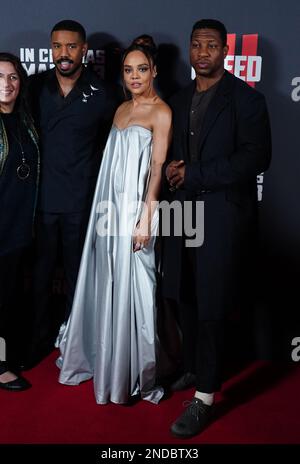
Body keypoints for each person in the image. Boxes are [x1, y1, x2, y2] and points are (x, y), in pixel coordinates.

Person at [162, 19, 272, 438]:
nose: (203, 52)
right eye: (196, 45)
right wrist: (173, 168)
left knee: (210, 304)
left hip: (222, 215)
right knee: (185, 294)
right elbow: (171, 154)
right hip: (182, 214)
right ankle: (193, 368)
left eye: (211, 45)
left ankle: (206, 395)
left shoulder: (247, 100)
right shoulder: (177, 98)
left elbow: (255, 159)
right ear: (189, 50)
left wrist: (194, 173)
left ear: (226, 51)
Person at [57, 38, 172, 405]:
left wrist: (146, 217)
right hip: (106, 210)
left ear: (154, 70)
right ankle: (102, 359)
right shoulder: (121, 109)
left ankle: (130, 372)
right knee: (106, 280)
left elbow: (156, 168)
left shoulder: (161, 112)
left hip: (135, 213)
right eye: (128, 70)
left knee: (135, 286)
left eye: (141, 69)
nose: (135, 76)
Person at [26, 20, 117, 366]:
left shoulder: (104, 93)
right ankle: (37, 341)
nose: (63, 54)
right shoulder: (34, 88)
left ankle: (76, 342)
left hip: (82, 204)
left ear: (83, 49)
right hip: (40, 204)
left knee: (79, 278)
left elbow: (116, 148)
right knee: (39, 277)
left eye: (71, 47)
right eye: (57, 46)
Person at [0, 52, 39, 390]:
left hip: (19, 228)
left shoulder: (25, 117)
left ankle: (8, 356)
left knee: (10, 297)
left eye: (12, 77)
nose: (6, 84)